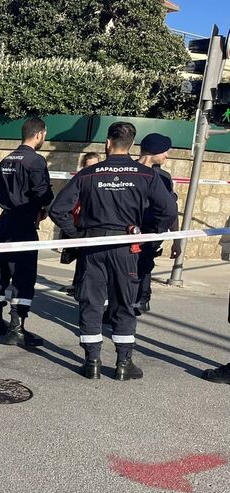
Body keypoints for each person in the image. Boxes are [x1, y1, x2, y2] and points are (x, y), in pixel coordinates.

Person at [49, 122, 177, 381]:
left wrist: (77, 235)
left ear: (108, 143)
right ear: (131, 145)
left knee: (92, 303)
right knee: (124, 304)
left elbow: (57, 210)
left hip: (92, 247)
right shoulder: (147, 175)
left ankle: (92, 361)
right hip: (127, 248)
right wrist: (150, 233)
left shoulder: (88, 174)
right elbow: (169, 211)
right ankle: (123, 363)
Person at [0, 117, 54, 347]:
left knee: (0, 270)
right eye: (44, 135)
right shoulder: (35, 161)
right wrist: (45, 207)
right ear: (39, 135)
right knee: (23, 275)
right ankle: (16, 328)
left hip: (4, 222)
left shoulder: (5, 160)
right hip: (24, 224)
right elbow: (43, 193)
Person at [134, 133, 180, 316]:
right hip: (127, 231)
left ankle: (142, 298)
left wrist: (175, 239)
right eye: (165, 151)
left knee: (145, 265)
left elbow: (171, 209)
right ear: (155, 150)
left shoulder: (164, 177)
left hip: (152, 231)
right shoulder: (128, 171)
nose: (167, 155)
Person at [61, 152, 102, 293]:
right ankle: (77, 284)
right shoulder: (79, 181)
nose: (91, 169)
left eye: (94, 165)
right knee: (79, 256)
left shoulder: (102, 183)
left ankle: (82, 286)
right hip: (77, 223)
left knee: (88, 259)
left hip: (93, 225)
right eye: (87, 166)